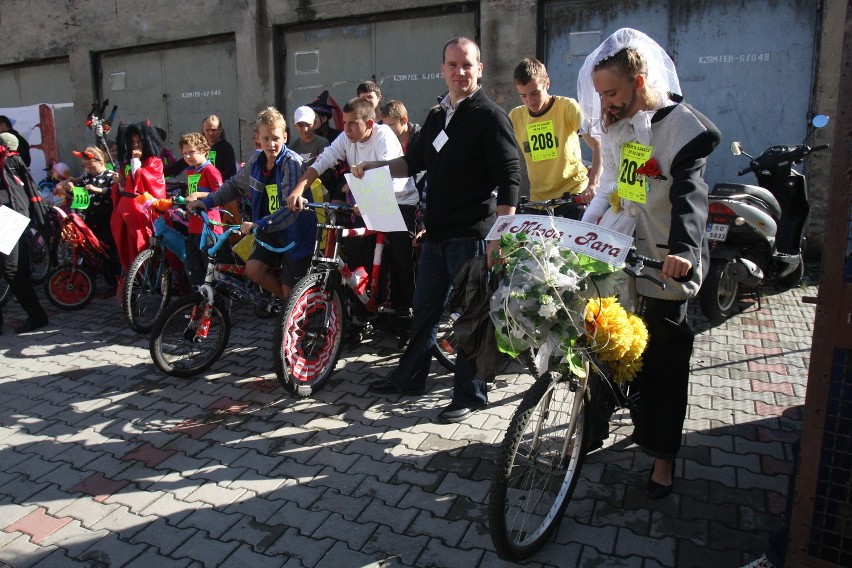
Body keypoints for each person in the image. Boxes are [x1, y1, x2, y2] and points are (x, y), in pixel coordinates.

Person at [578, 28, 721, 497]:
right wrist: (585, 229)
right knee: (603, 344)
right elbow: (610, 189)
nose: (606, 103)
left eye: (612, 92)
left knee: (664, 361)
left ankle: (663, 457)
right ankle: (592, 428)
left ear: (639, 83)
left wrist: (683, 249)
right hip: (625, 253)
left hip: (665, 261)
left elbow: (690, 198)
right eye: (600, 94)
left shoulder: (681, 128)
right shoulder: (618, 127)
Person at [348, 37, 520, 423]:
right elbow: (412, 161)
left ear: (480, 69)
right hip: (437, 234)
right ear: (442, 69)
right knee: (423, 310)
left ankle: (470, 395)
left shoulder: (490, 116)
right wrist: (373, 169)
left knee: (471, 318)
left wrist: (500, 235)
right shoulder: (439, 116)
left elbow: (511, 176)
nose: (459, 72)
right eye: (452, 65)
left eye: (467, 65)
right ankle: (410, 378)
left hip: (473, 235)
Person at [286, 97, 419, 320]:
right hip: (366, 200)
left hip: (399, 200)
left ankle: (405, 314)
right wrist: (298, 190)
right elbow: (323, 161)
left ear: (369, 124)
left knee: (400, 259)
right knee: (357, 255)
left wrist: (367, 198)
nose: (346, 128)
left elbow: (387, 171)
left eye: (352, 123)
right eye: (344, 122)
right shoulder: (346, 138)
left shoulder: (383, 136)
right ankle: (359, 314)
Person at [188, 106, 315, 299]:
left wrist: (259, 224)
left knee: (292, 292)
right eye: (266, 138)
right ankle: (288, 309)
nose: (271, 144)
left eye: (276, 138)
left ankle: (293, 312)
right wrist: (209, 202)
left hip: (295, 232)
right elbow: (234, 186)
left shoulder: (292, 163)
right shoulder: (256, 160)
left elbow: (291, 211)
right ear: (258, 138)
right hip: (268, 230)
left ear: (285, 137)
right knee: (253, 270)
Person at [509, 57, 601, 212]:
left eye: (535, 93)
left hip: (573, 193)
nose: (530, 101)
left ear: (547, 83)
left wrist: (592, 185)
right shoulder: (515, 116)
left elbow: (598, 146)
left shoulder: (567, 107)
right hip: (538, 200)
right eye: (523, 96)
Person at [0, 133, 49, 333]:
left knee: (12, 270)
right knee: (11, 270)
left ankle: (37, 316)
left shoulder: (9, 159)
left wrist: (41, 220)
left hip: (8, 217)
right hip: (7, 215)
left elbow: (28, 189)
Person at [55, 146, 120, 292]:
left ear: (101, 161)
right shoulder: (86, 177)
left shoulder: (110, 176)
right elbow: (80, 194)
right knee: (88, 248)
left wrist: (97, 190)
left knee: (108, 250)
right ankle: (87, 278)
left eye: (91, 166)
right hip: (89, 217)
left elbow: (114, 192)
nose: (89, 169)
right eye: (86, 167)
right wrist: (71, 188)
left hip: (106, 218)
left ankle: (115, 283)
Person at [110, 121, 168, 273]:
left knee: (142, 244)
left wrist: (136, 163)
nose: (136, 145)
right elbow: (125, 188)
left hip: (143, 212)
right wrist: (120, 182)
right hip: (125, 211)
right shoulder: (125, 164)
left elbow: (145, 182)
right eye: (133, 142)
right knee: (126, 247)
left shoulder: (154, 162)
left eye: (139, 142)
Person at [177, 132, 224, 287]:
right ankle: (200, 299)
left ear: (204, 150)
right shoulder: (192, 171)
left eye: (192, 152)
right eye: (185, 153)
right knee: (193, 266)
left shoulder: (210, 170)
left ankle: (217, 302)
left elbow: (221, 193)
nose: (188, 156)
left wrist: (197, 195)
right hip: (194, 227)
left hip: (209, 227)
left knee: (209, 270)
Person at [164, 115, 238, 182]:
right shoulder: (199, 146)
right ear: (203, 130)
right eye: (207, 130)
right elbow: (180, 164)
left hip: (219, 187)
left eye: (214, 130)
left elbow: (230, 171)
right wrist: (161, 173)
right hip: (201, 186)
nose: (210, 133)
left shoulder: (226, 147)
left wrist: (217, 182)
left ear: (220, 130)